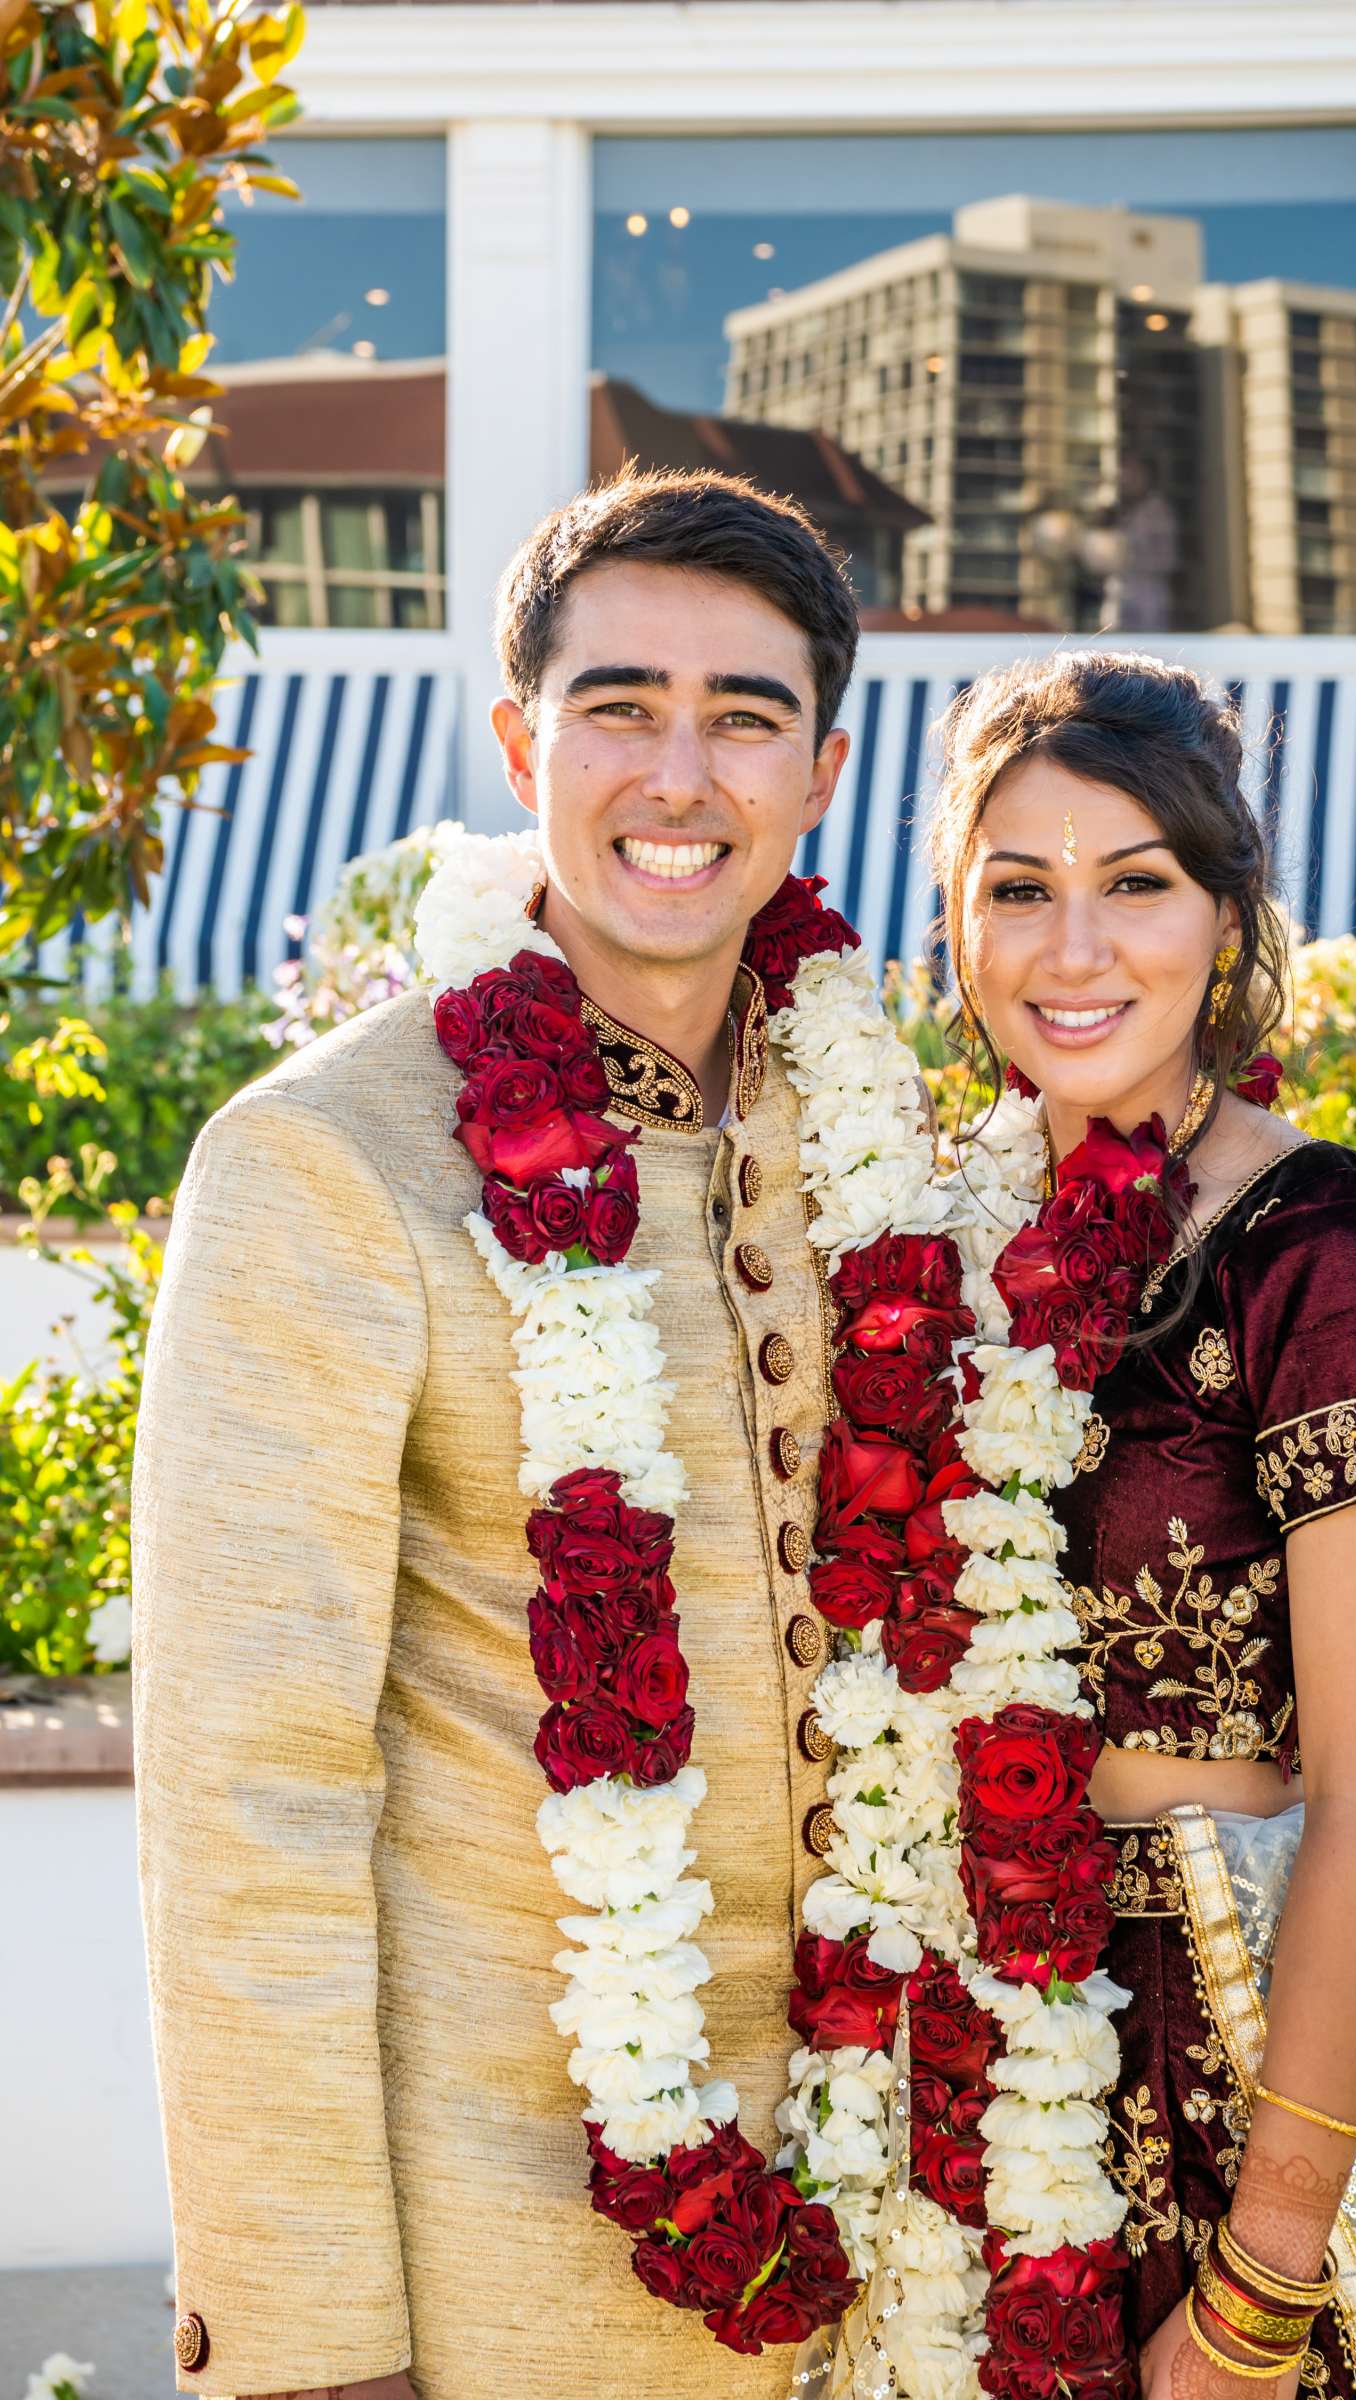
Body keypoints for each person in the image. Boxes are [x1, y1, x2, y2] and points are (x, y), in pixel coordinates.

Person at [133, 468, 869, 2400]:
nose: (680, 776)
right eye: (620, 706)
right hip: (494, 2269)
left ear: (825, 769)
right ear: (516, 739)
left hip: (892, 2249)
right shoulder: (327, 1162)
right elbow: (249, 1800)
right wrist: (305, 2340)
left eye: (748, 716)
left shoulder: (888, 1153)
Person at [927, 651, 1356, 2399]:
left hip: (1236, 2068)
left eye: (1138, 886)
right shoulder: (924, 1236)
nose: (1076, 950)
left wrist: (1262, 2282)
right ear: (959, 923)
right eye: (1020, 890)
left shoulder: (1318, 1249)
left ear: (1225, 913)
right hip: (950, 2060)